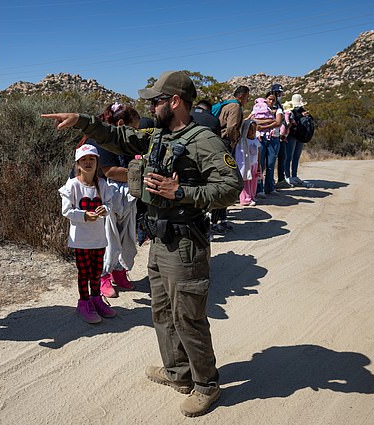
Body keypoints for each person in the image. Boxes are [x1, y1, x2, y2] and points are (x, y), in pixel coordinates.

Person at [42, 70, 243, 417]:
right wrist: (83, 121)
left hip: (185, 244)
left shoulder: (203, 141)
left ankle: (207, 385)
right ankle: (178, 372)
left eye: (156, 100)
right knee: (162, 313)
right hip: (161, 241)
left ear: (175, 102)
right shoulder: (158, 136)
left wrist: (181, 192)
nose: (151, 106)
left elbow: (230, 187)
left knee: (188, 317)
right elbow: (120, 138)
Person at [59, 144, 116, 324]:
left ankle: (96, 299)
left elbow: (109, 204)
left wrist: (104, 210)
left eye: (91, 159)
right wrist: (84, 215)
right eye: (84, 160)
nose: (88, 162)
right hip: (81, 240)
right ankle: (83, 302)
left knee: (97, 271)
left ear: (97, 162)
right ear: (78, 164)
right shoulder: (72, 185)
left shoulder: (103, 184)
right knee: (84, 272)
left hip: (98, 239)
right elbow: (66, 211)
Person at [93, 103, 140, 298]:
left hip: (124, 197)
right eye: (133, 129)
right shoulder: (102, 141)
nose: (136, 133)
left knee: (124, 234)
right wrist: (139, 173)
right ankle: (102, 276)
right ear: (121, 124)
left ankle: (119, 270)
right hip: (103, 196)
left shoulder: (125, 141)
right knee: (106, 237)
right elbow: (109, 171)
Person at [212, 85, 250, 233]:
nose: (248, 99)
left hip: (220, 144)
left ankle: (220, 218)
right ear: (241, 96)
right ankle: (217, 220)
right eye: (247, 96)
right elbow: (231, 127)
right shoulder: (235, 107)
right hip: (226, 145)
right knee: (225, 181)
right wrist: (234, 141)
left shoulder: (226, 104)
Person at [249, 90, 283, 196]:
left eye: (274, 99)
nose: (271, 101)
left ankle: (270, 187)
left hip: (273, 139)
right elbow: (253, 120)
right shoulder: (258, 108)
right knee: (260, 164)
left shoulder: (278, 110)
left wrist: (263, 126)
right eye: (270, 99)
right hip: (261, 138)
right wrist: (269, 120)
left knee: (271, 164)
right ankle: (259, 189)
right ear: (265, 99)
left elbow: (278, 122)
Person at [285, 94, 313, 188]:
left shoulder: (300, 110)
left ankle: (293, 176)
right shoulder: (290, 110)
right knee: (290, 157)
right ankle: (288, 176)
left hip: (296, 135)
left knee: (294, 156)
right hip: (294, 135)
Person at [235, 120, 260, 206]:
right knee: (246, 182)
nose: (253, 132)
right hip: (246, 166)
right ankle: (245, 199)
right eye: (250, 129)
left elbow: (258, 152)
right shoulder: (242, 142)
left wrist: (258, 164)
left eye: (254, 130)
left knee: (253, 182)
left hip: (254, 164)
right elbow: (240, 155)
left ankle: (252, 195)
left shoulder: (255, 140)